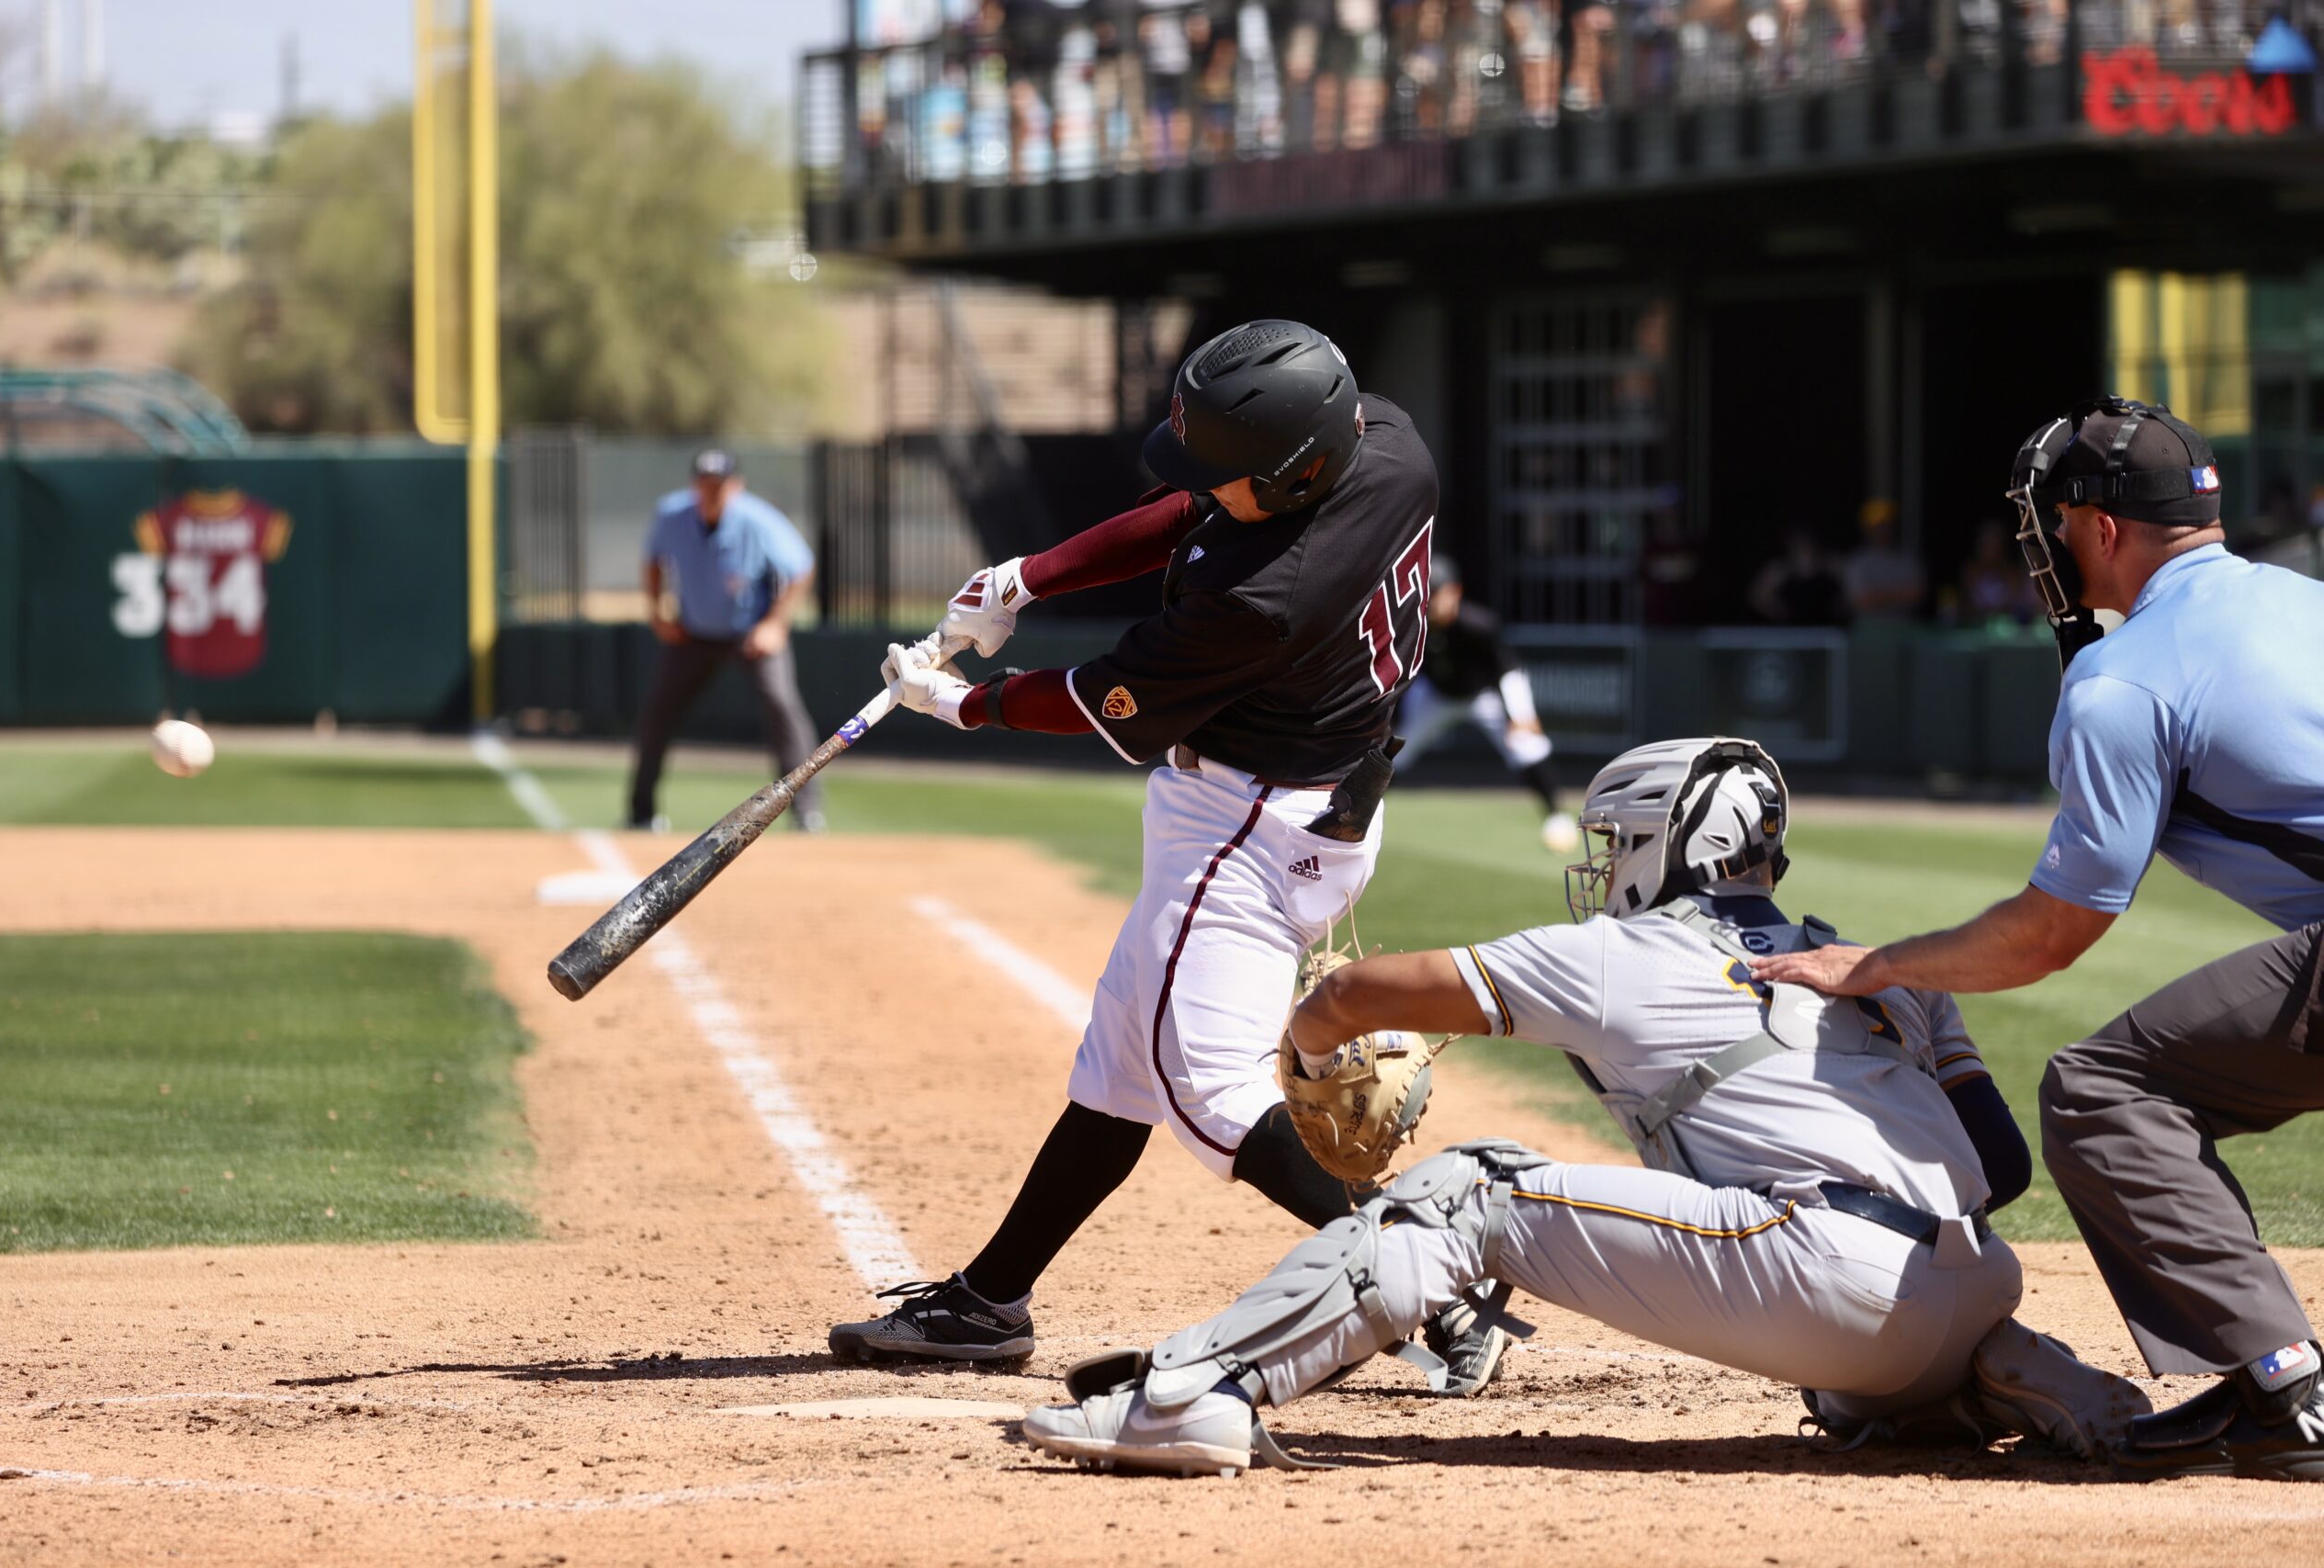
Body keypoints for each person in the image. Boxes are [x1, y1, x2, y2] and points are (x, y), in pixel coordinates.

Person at [1020, 738, 2145, 1476]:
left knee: (1469, 1187)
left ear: (1676, 843)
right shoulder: (1873, 962)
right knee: (1847, 1353)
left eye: (1622, 843)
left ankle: (1197, 1395)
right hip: (1968, 1280)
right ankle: (1982, 1376)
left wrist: (1307, 1051)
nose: (1609, 867)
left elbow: (1357, 991)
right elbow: (2000, 1171)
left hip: (1829, 1285)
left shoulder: (1625, 953)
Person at [828, 320, 1506, 1394]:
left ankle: (1437, 1287)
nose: (1205, 484)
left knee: (1202, 1092)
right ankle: (989, 1300)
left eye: (1229, 471)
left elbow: (1105, 699)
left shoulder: (1261, 603)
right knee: (1118, 1068)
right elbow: (1195, 510)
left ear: (1292, 473)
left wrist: (965, 703)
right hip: (1308, 800)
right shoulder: (1386, 443)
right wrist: (1027, 578)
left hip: (1247, 827)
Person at [1752, 396, 2324, 1481]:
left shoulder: (2124, 676)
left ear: (2100, 530)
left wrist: (1874, 966)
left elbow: (2054, 934)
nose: (2047, 546)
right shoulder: (2300, 598)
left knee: (2104, 1091)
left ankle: (2280, 1385)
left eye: (2054, 523)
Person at [628, 449, 823, 834]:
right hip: (693, 633)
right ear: (694, 485)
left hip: (750, 632)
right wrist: (657, 611)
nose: (711, 492)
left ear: (736, 486)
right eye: (705, 484)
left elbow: (801, 569)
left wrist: (774, 624)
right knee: (657, 713)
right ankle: (641, 813)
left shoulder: (758, 519)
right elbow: (653, 560)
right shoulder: (672, 514)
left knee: (782, 705)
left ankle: (807, 812)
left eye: (719, 485)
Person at [1390, 555, 1578, 852]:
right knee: (1393, 752)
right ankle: (1363, 815)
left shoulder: (1478, 624)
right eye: (1428, 594)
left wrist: (1521, 714)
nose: (1433, 601)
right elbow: (1403, 672)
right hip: (1435, 696)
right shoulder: (1415, 626)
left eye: (1438, 593)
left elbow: (1508, 668)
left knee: (1527, 744)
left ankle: (1556, 813)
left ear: (1455, 592)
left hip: (1482, 696)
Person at [1844, 498, 1925, 621]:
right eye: (1878, 526)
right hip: (1870, 628)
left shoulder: (1907, 559)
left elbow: (1917, 595)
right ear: (1868, 529)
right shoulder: (1858, 561)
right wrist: (1900, 594)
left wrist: (1879, 596)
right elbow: (1861, 601)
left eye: (1887, 525)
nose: (1883, 530)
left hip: (1904, 626)